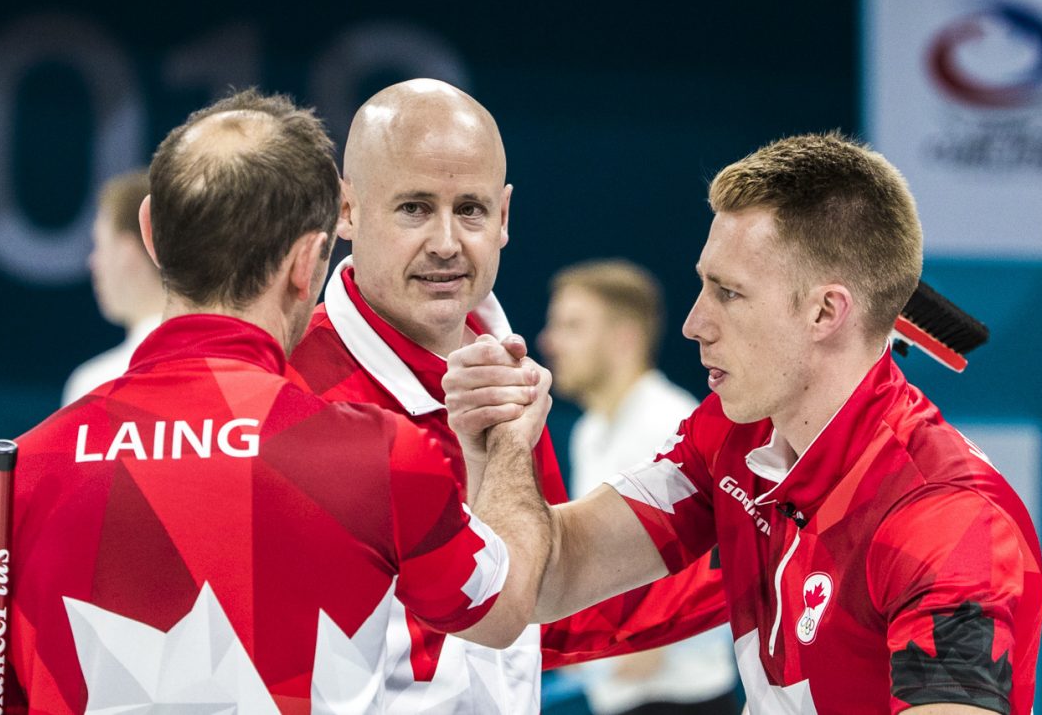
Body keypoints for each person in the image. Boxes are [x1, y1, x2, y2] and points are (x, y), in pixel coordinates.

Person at [0, 90, 552, 715]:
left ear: (151, 233)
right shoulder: (384, 458)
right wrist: (504, 446)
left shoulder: (10, 483)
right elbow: (503, 610)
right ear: (310, 260)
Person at [446, 133, 1042, 714]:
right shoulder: (735, 436)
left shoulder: (951, 526)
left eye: (727, 293)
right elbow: (547, 579)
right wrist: (500, 446)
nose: (692, 323)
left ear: (824, 311)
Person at [289, 79, 727, 714]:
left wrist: (765, 569)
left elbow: (530, 607)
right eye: (413, 207)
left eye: (470, 209)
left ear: (504, 216)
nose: (446, 242)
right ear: (346, 211)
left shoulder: (507, 377)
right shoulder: (286, 387)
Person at [540, 259, 737, 715]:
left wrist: (621, 646)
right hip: (621, 696)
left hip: (682, 702)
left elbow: (709, 565)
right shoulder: (591, 432)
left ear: (624, 338)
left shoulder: (671, 425)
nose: (549, 341)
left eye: (572, 326)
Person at [61, 169, 166, 406]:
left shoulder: (95, 385)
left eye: (99, 245)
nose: (92, 263)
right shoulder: (242, 373)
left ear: (127, 252)